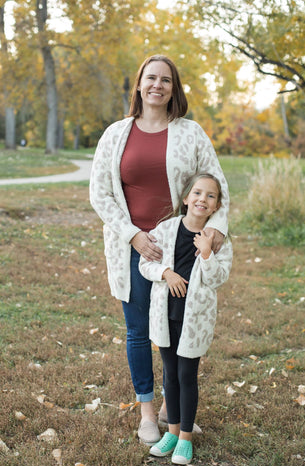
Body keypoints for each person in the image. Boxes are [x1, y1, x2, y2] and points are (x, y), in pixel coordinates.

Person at [89, 54, 229, 446]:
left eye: (166, 80)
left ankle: (174, 410)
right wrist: (133, 235)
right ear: (139, 84)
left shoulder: (191, 133)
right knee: (138, 331)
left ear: (173, 88)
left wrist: (215, 230)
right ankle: (148, 412)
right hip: (132, 247)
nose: (157, 85)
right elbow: (99, 194)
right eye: (151, 78)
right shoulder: (116, 134)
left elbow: (218, 185)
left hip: (180, 249)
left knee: (177, 327)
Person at [139, 173, 233, 464]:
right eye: (197, 193)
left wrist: (206, 254)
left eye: (210, 196)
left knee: (186, 376)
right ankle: (172, 432)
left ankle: (186, 438)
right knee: (170, 375)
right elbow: (146, 264)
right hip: (165, 315)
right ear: (185, 198)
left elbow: (218, 278)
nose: (202, 199)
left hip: (195, 320)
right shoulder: (166, 229)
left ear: (217, 206)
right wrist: (166, 273)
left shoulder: (217, 240)